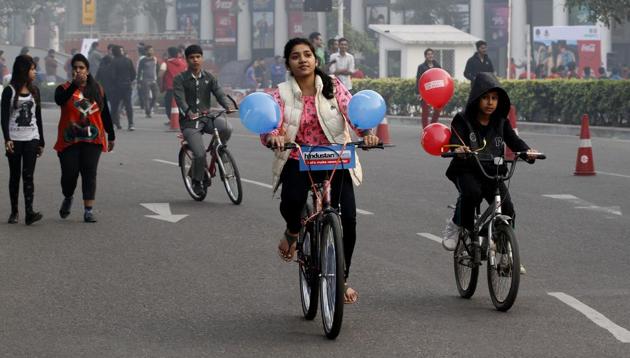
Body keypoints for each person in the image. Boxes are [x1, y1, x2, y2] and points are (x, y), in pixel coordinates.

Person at [262, 38, 379, 304]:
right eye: (295, 56)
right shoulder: (280, 93)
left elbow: (354, 113)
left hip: (335, 156)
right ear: (289, 64)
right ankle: (293, 231)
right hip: (297, 156)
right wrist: (273, 136)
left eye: (307, 55)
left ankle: (342, 278)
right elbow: (271, 120)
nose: (302, 60)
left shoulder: (333, 86)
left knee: (348, 219)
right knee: (291, 201)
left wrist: (368, 134)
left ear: (316, 60)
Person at [442, 73, 539, 267]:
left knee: (508, 208)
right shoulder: (462, 120)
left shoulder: (501, 122)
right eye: (486, 98)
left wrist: (527, 151)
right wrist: (459, 149)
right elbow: (454, 141)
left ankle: (504, 255)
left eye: (494, 98)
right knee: (472, 193)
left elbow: (514, 141)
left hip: (492, 173)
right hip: (466, 170)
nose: (490, 103)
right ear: (477, 98)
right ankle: (457, 222)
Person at [54, 54, 115, 223]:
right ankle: (68, 197)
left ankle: (88, 210)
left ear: (87, 70)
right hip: (69, 140)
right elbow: (59, 101)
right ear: (71, 71)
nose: (78, 71)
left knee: (89, 173)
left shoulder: (97, 89)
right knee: (69, 175)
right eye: (75, 68)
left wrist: (111, 135)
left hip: (93, 140)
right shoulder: (63, 88)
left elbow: (105, 114)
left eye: (81, 68)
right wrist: (74, 86)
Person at [173, 45, 235, 196]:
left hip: (207, 118)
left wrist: (228, 105)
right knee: (200, 154)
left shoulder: (209, 77)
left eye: (198, 57)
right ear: (187, 60)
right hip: (189, 122)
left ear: (202, 58)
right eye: (192, 57)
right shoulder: (180, 79)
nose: (195, 60)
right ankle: (196, 180)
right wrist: (189, 112)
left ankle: (217, 150)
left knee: (227, 127)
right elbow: (180, 100)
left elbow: (219, 93)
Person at [1, 55, 44, 225]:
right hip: (14, 139)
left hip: (31, 138)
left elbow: (38, 117)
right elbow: (4, 117)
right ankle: (14, 212)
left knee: (28, 176)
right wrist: (7, 138)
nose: (35, 72)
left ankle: (29, 212)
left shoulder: (35, 91)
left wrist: (41, 141)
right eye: (32, 69)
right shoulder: (9, 91)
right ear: (23, 70)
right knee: (15, 175)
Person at [109, 45, 136, 130]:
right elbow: (133, 74)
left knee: (115, 106)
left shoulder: (113, 62)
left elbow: (112, 76)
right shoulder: (128, 60)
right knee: (128, 105)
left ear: (113, 52)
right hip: (127, 85)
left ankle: (116, 123)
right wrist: (129, 80)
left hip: (116, 87)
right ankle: (131, 124)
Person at [415, 48, 442, 128]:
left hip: (436, 92)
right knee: (425, 112)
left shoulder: (437, 65)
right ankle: (425, 129)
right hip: (425, 92)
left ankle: (432, 126)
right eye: (428, 54)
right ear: (425, 56)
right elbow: (418, 79)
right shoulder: (421, 67)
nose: (430, 56)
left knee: (437, 110)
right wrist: (418, 92)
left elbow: (441, 77)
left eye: (431, 54)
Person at [161, 47, 187, 125]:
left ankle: (173, 119)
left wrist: (161, 86)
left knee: (168, 104)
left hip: (170, 88)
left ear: (169, 53)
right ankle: (179, 119)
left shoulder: (166, 63)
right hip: (182, 88)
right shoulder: (184, 62)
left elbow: (160, 75)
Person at [137, 45, 160, 118]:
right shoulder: (142, 60)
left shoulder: (155, 59)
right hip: (145, 80)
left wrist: (157, 79)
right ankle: (148, 112)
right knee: (146, 97)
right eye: (150, 50)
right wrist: (138, 82)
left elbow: (157, 69)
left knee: (155, 96)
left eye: (152, 50)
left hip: (153, 80)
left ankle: (150, 108)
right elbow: (139, 71)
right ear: (146, 51)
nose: (151, 51)